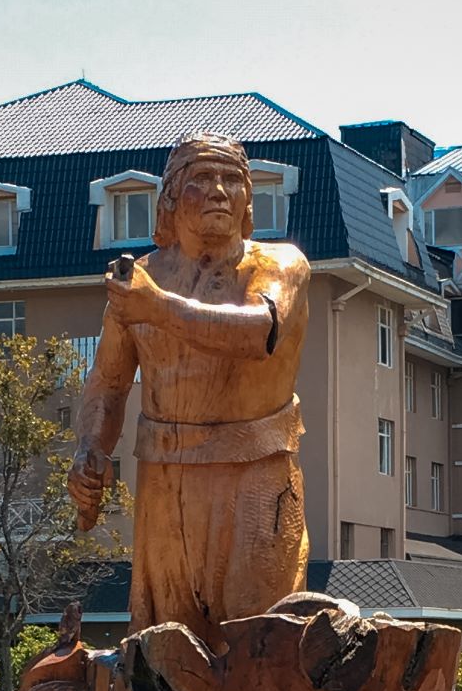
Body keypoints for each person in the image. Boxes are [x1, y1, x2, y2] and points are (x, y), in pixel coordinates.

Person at [68, 132, 311, 646]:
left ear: (247, 201)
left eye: (233, 180)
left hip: (255, 481)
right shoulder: (140, 279)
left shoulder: (279, 265)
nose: (220, 191)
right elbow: (109, 383)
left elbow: (255, 332)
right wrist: (91, 449)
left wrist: (156, 307)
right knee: (165, 662)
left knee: (259, 654)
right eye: (202, 179)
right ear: (172, 198)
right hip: (166, 490)